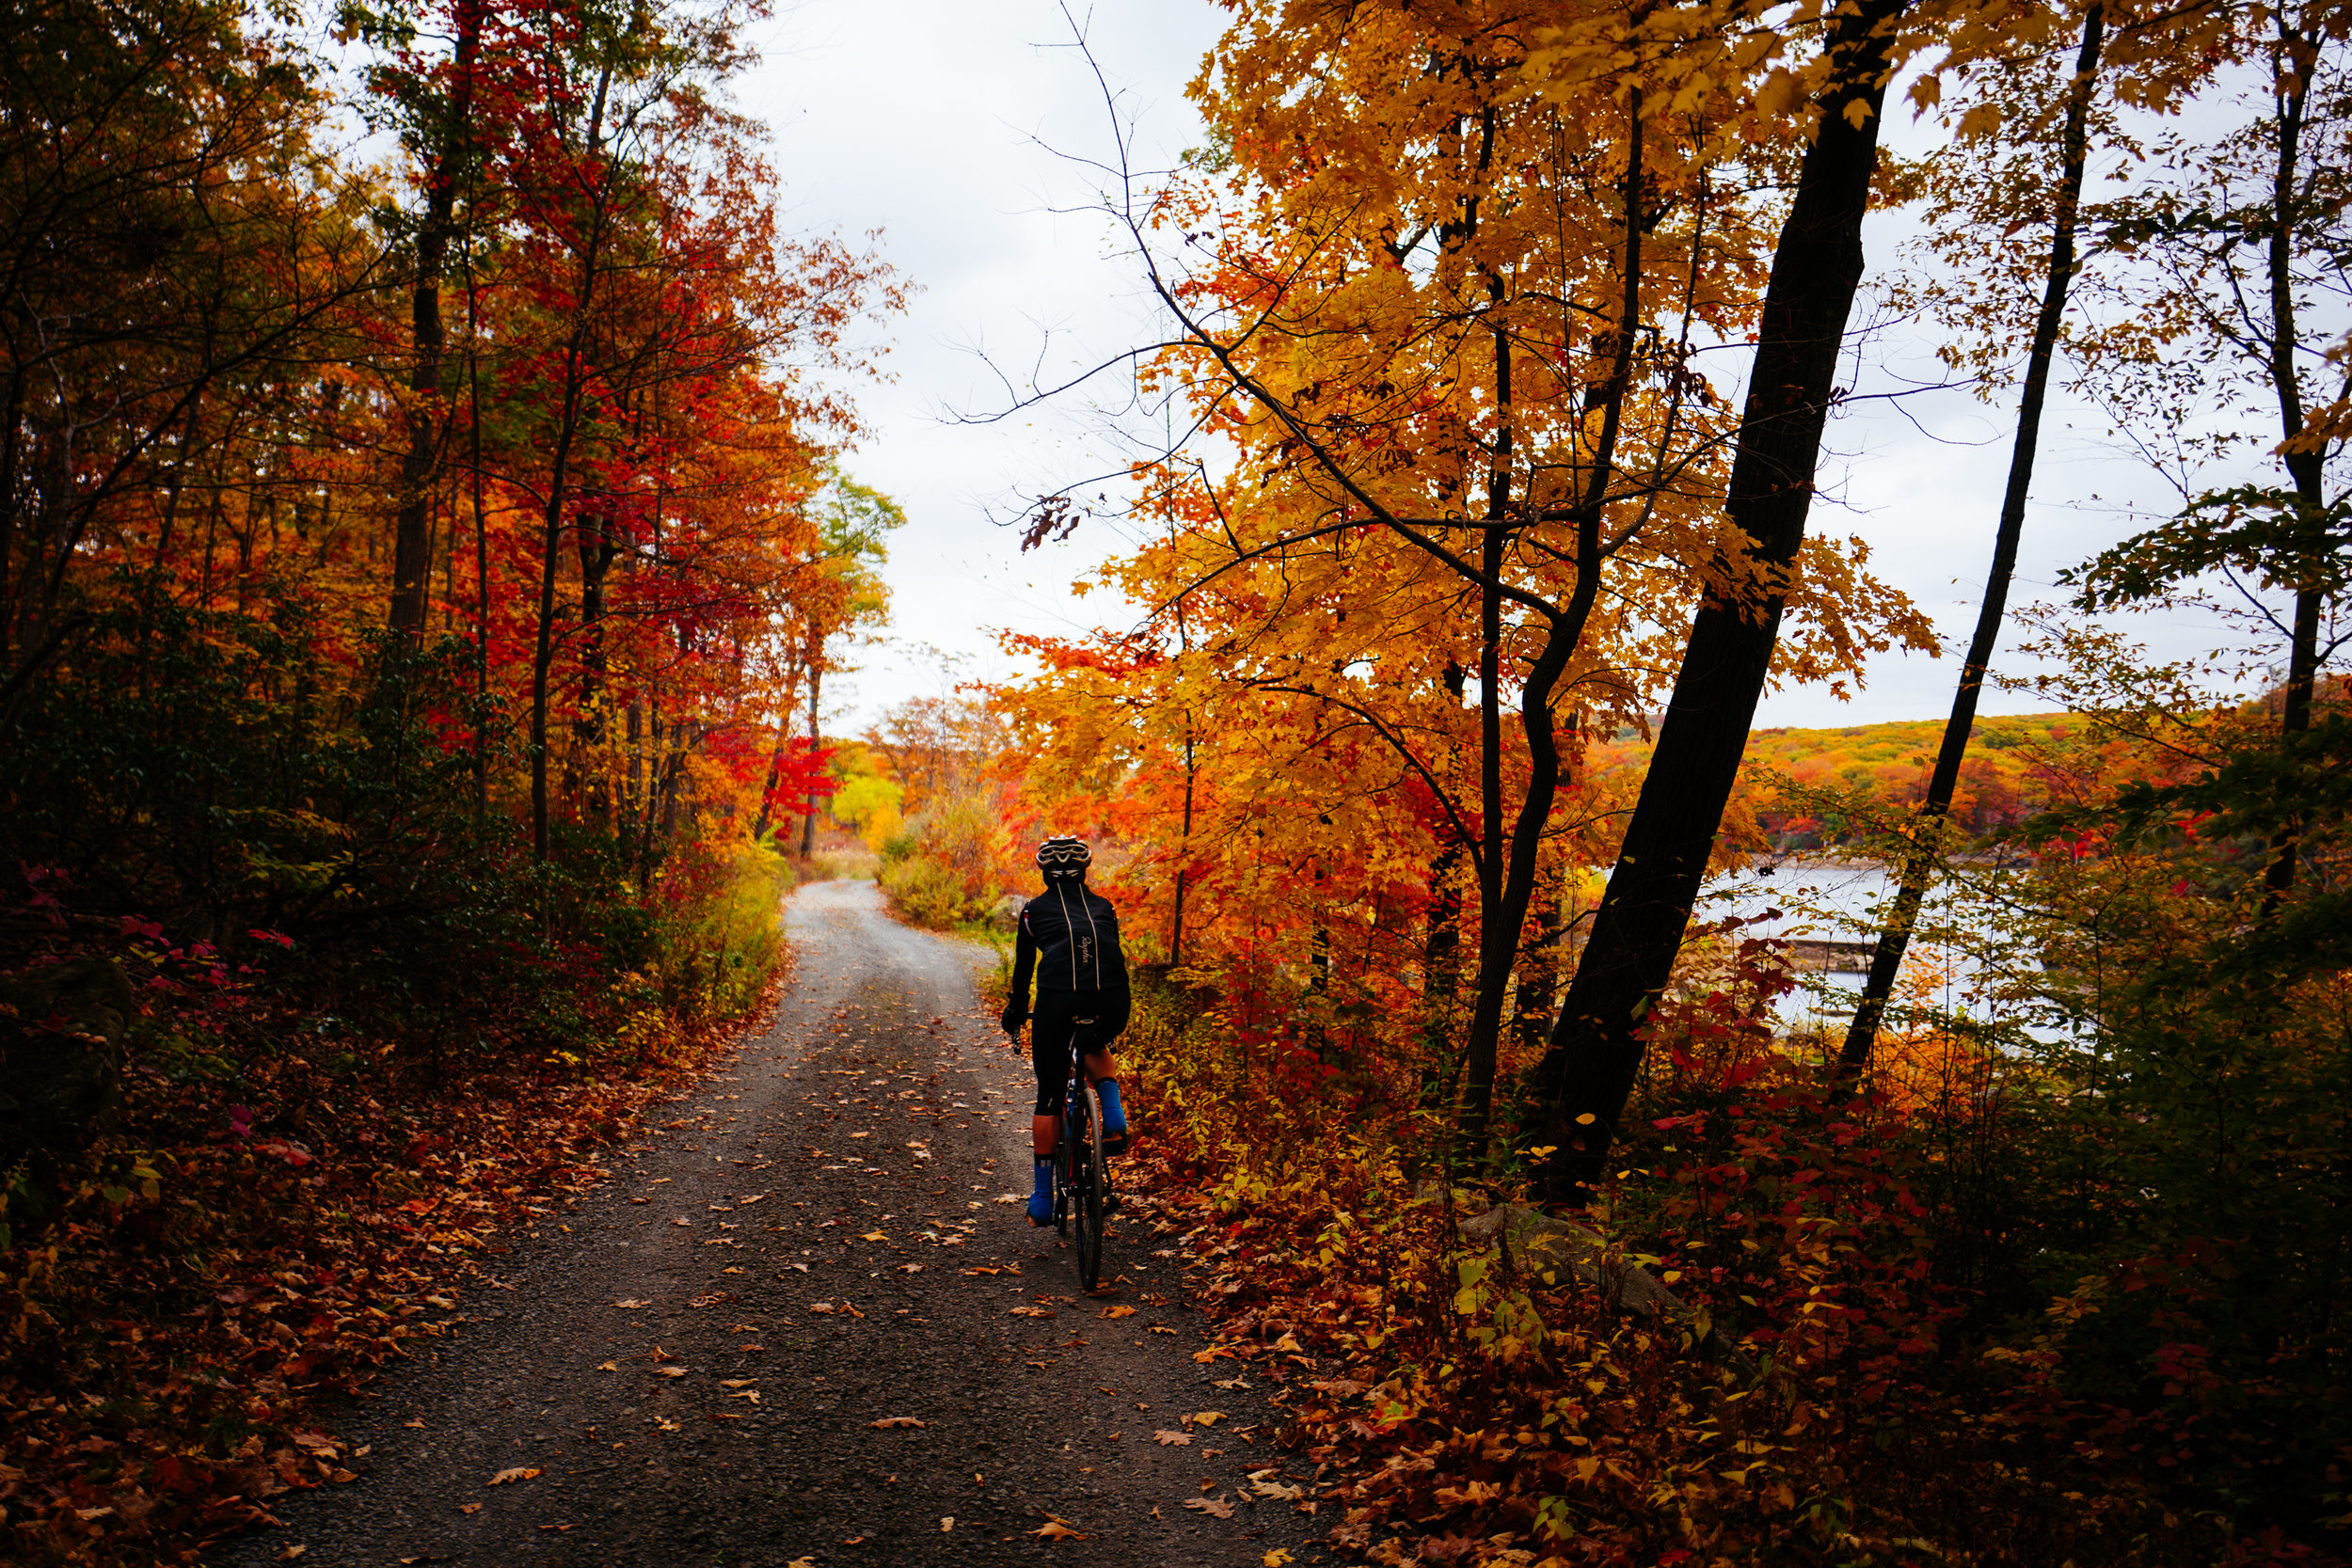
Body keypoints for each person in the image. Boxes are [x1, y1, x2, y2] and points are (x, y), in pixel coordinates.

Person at [1000, 835, 1130, 1226]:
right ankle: (1113, 1112)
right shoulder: (1104, 907)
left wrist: (1016, 1012)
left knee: (1050, 1094)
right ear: (1085, 870)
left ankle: (1041, 1199)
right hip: (1112, 1002)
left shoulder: (1032, 912)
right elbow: (1109, 958)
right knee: (1094, 1040)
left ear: (1044, 873)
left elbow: (1024, 974)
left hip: (1057, 1004)